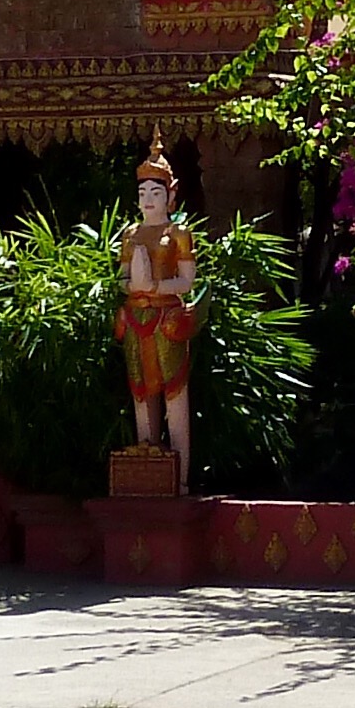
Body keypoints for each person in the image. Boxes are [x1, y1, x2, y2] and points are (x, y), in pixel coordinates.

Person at [112, 140, 198, 479]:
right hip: (136, 315)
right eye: (143, 193)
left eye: (156, 192)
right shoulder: (130, 234)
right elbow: (121, 278)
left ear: (170, 195)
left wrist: (155, 287)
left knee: (174, 393)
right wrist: (134, 287)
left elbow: (187, 281)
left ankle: (181, 475)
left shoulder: (178, 233)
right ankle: (146, 464)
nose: (148, 199)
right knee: (140, 391)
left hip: (167, 318)